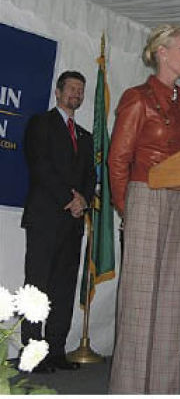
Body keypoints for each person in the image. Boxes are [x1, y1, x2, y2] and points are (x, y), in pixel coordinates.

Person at [107, 24, 180, 394]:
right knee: (140, 303)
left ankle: (161, 388)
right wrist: (129, 210)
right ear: (162, 52)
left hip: (179, 198)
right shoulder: (137, 97)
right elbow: (117, 159)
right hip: (144, 194)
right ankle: (128, 389)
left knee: (170, 300)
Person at [21, 71, 95, 372]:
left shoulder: (86, 137)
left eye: (81, 90)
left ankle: (55, 351)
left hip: (73, 222)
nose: (76, 94)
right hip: (45, 218)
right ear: (58, 92)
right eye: (72, 89)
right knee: (37, 287)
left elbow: (91, 176)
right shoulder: (41, 124)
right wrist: (70, 197)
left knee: (64, 288)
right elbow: (40, 165)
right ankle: (32, 354)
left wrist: (84, 200)